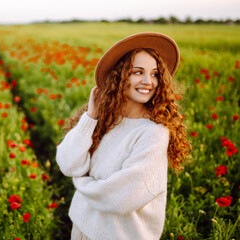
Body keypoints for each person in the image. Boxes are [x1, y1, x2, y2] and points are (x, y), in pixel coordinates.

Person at [56, 32, 192, 240]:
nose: (148, 81)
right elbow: (68, 164)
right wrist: (91, 116)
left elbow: (120, 198)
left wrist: (81, 183)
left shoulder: (153, 133)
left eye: (155, 74)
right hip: (81, 228)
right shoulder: (104, 120)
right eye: (138, 72)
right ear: (119, 76)